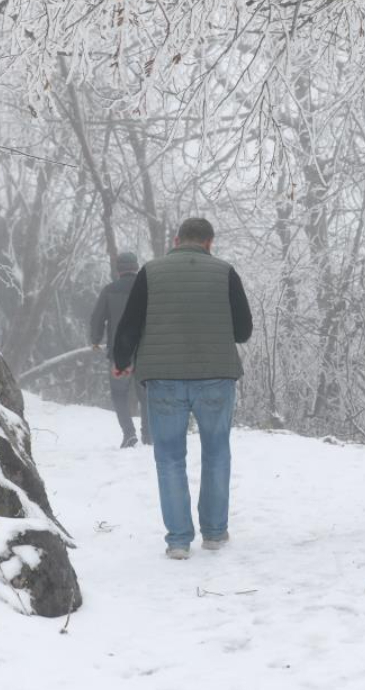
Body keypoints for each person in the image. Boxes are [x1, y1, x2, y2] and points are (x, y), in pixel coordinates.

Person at [113, 218, 253, 560]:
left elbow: (129, 322)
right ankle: (215, 534)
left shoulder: (150, 272)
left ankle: (178, 541)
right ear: (209, 243)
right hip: (216, 377)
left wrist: (122, 359)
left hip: (164, 378)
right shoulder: (225, 272)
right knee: (217, 453)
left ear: (176, 240)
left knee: (170, 458)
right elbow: (243, 330)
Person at [90, 251, 149, 448]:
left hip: (120, 353)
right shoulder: (148, 289)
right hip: (145, 351)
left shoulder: (109, 290)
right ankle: (148, 435)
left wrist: (96, 339)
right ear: (136, 267)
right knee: (146, 394)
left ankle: (129, 434)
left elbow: (97, 317)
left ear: (118, 270)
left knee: (119, 393)